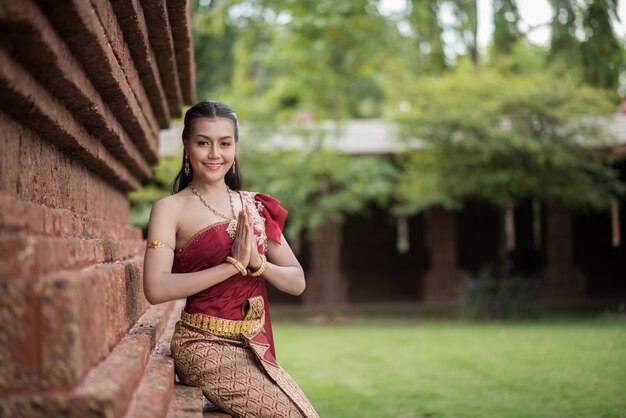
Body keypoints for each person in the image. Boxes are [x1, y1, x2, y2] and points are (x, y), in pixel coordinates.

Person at [142, 101, 318, 418]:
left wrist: (259, 266)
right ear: (186, 146)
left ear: (235, 146)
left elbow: (297, 281)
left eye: (225, 143)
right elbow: (155, 287)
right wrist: (230, 267)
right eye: (202, 143)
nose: (214, 154)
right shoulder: (169, 210)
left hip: (254, 344)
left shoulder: (256, 207)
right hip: (202, 344)